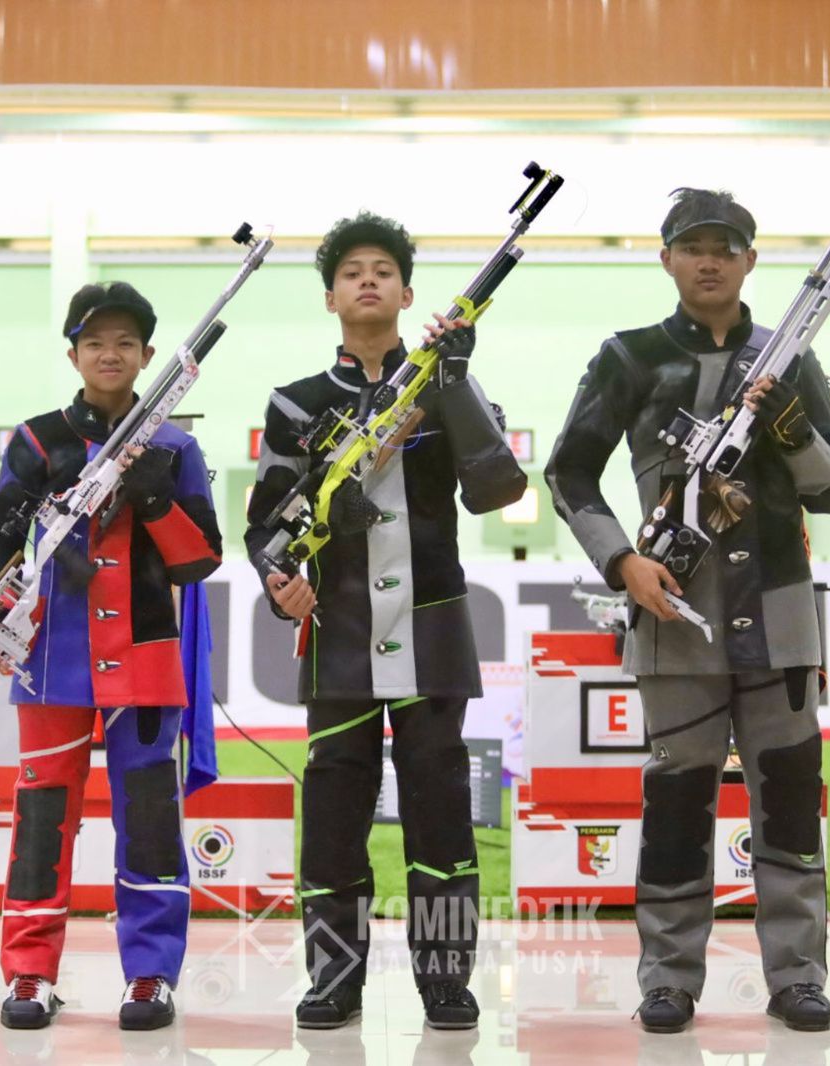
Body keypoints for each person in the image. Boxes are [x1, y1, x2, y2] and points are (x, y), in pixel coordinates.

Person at [545, 188, 830, 1034]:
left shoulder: (790, 359)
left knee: (789, 803)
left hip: (781, 622)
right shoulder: (630, 356)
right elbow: (569, 472)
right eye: (693, 247)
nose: (710, 261)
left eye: (726, 247)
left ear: (751, 260)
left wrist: (790, 426)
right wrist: (623, 563)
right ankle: (668, 980)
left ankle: (798, 975)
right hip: (673, 618)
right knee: (678, 807)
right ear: (667, 260)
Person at [243, 212, 526, 1031]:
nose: (367, 280)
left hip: (434, 626)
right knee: (334, 814)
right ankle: (334, 979)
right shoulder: (294, 404)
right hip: (337, 633)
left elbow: (499, 489)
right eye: (351, 271)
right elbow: (264, 527)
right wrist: (280, 580)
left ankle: (446, 981)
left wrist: (457, 380)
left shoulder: (450, 382)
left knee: (441, 812)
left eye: (383, 270)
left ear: (407, 294)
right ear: (330, 297)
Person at [0, 281, 222, 1032]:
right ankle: (30, 972)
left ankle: (150, 974)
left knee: (149, 821)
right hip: (49, 662)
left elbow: (199, 560)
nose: (109, 354)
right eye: (94, 343)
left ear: (148, 355)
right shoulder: (37, 441)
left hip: (146, 664)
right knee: (42, 820)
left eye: (124, 343)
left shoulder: (175, 447)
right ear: (73, 355)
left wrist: (154, 498)